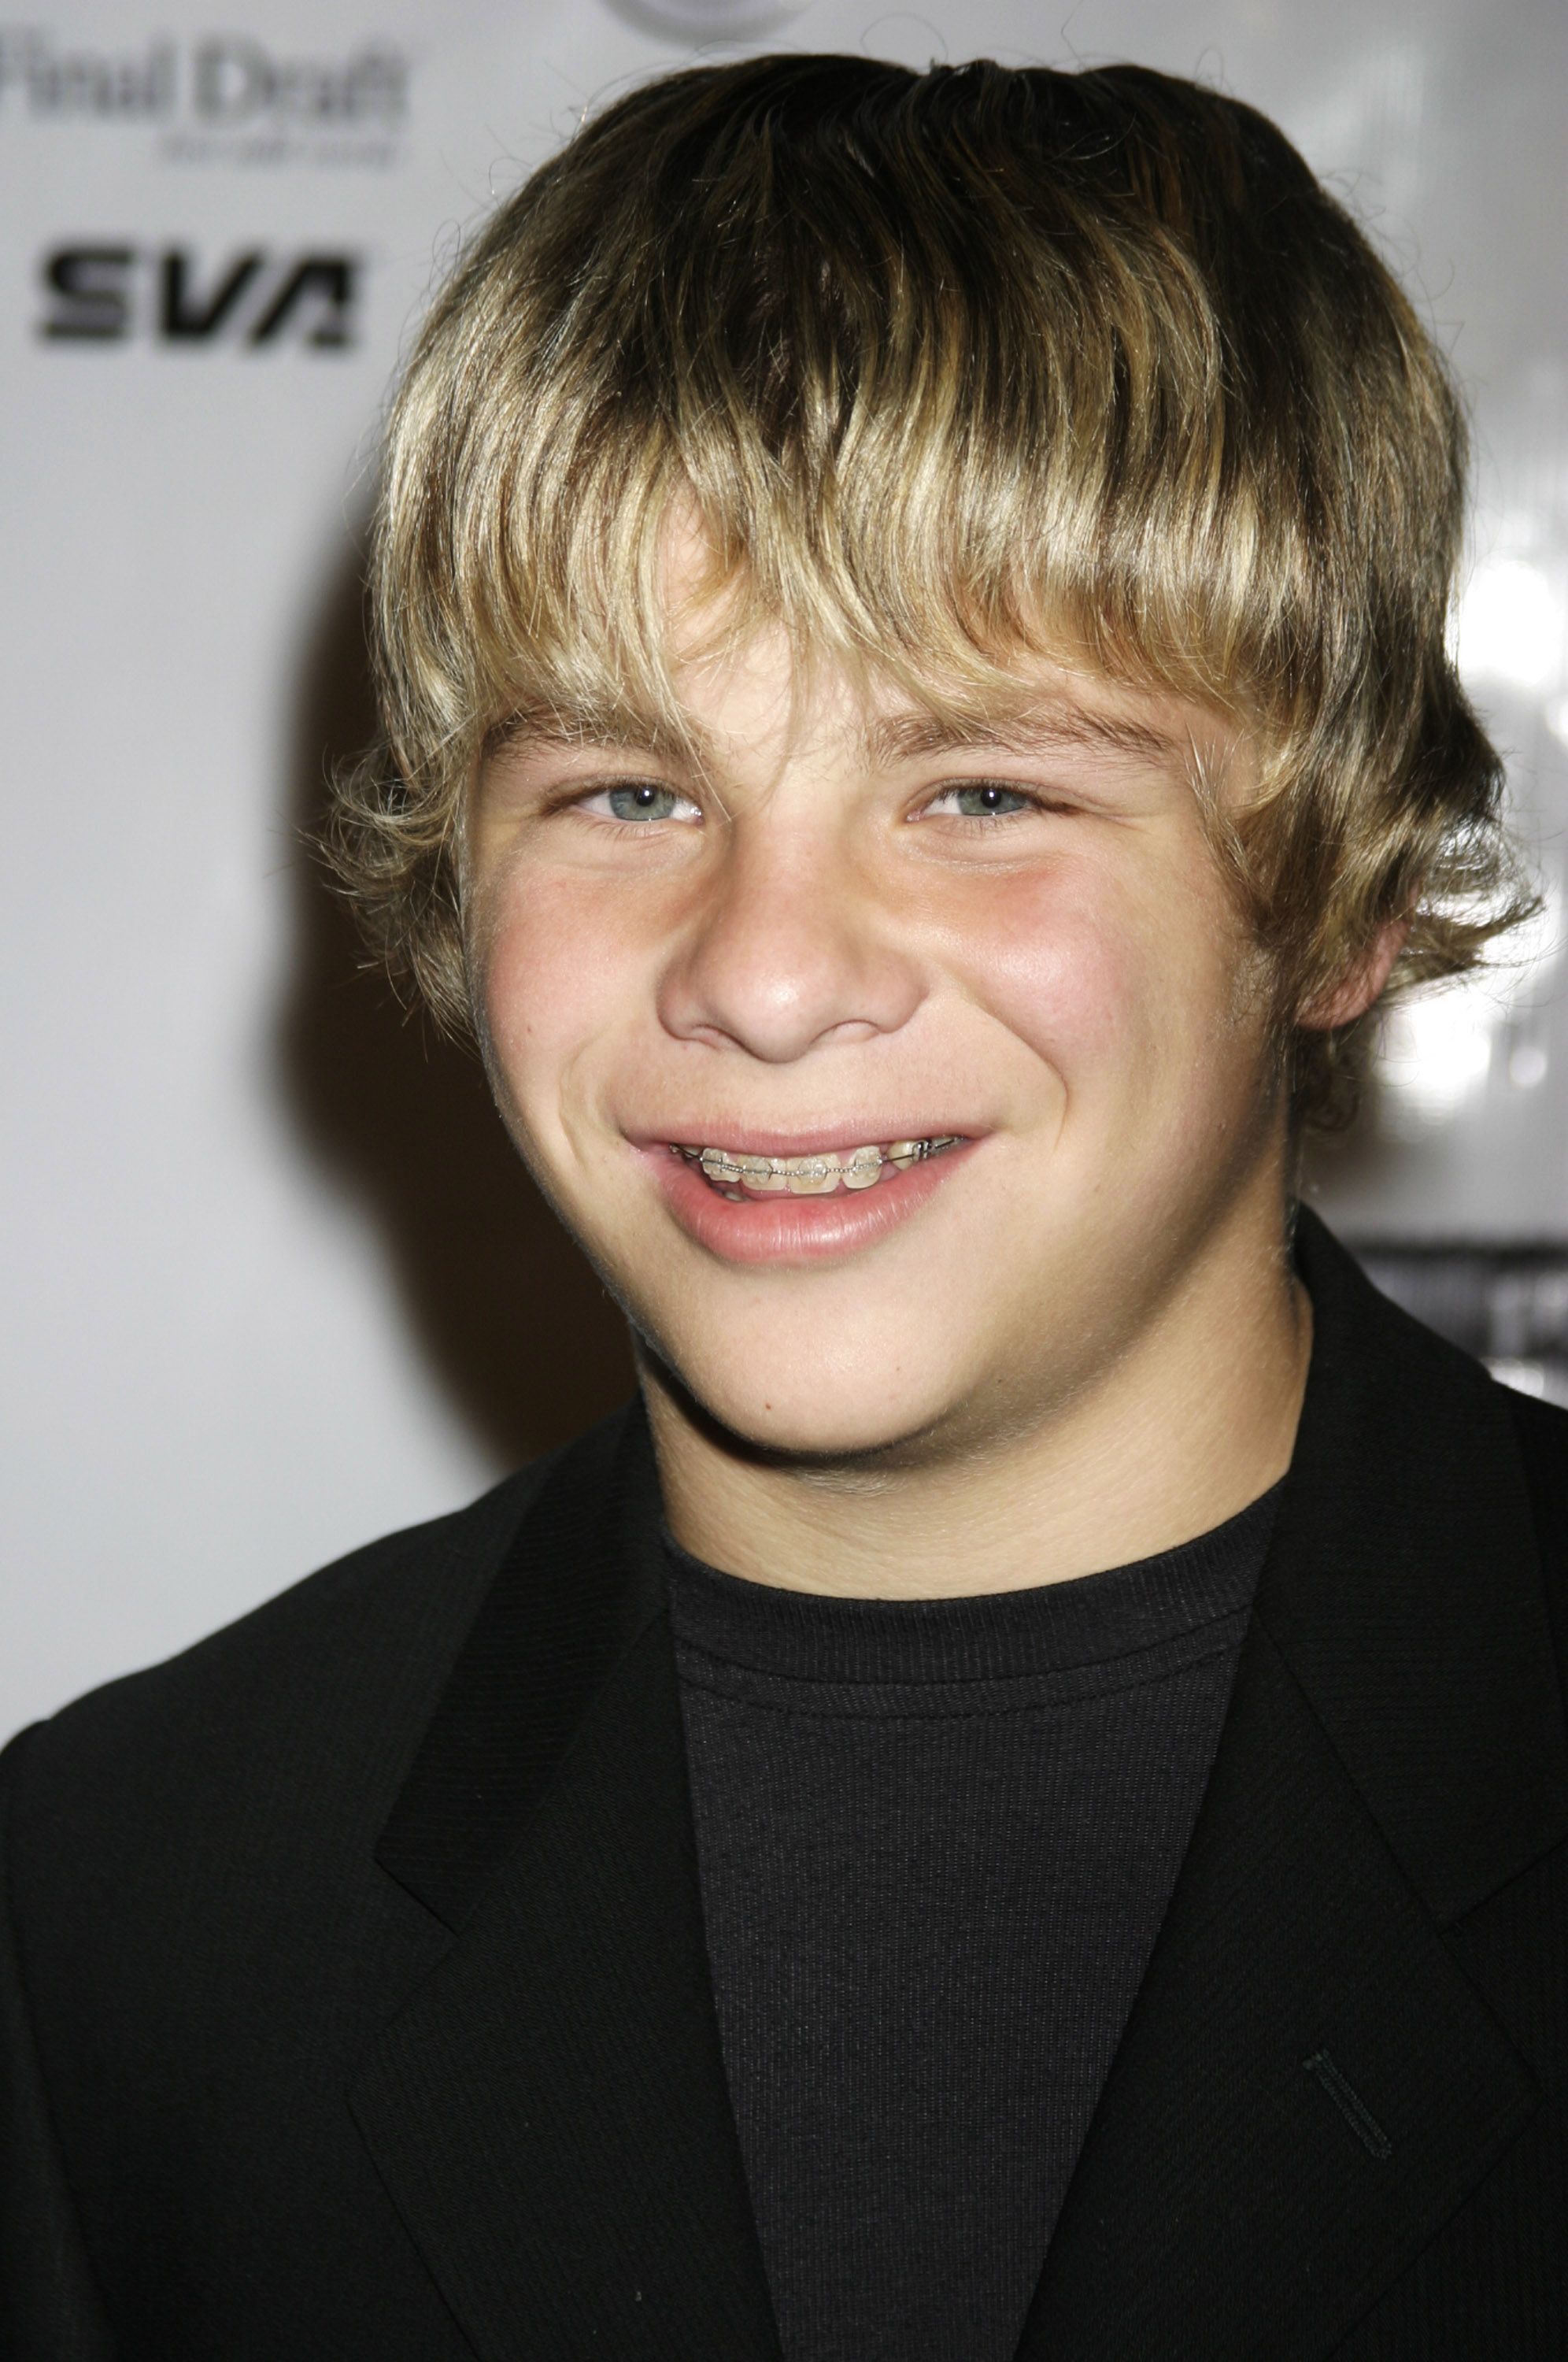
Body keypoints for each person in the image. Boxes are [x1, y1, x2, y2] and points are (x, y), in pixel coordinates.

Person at [3, 53, 1564, 2361]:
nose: (760, 970)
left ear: (1332, 901)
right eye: (630, 786)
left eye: (982, 788)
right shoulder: (118, 1910)